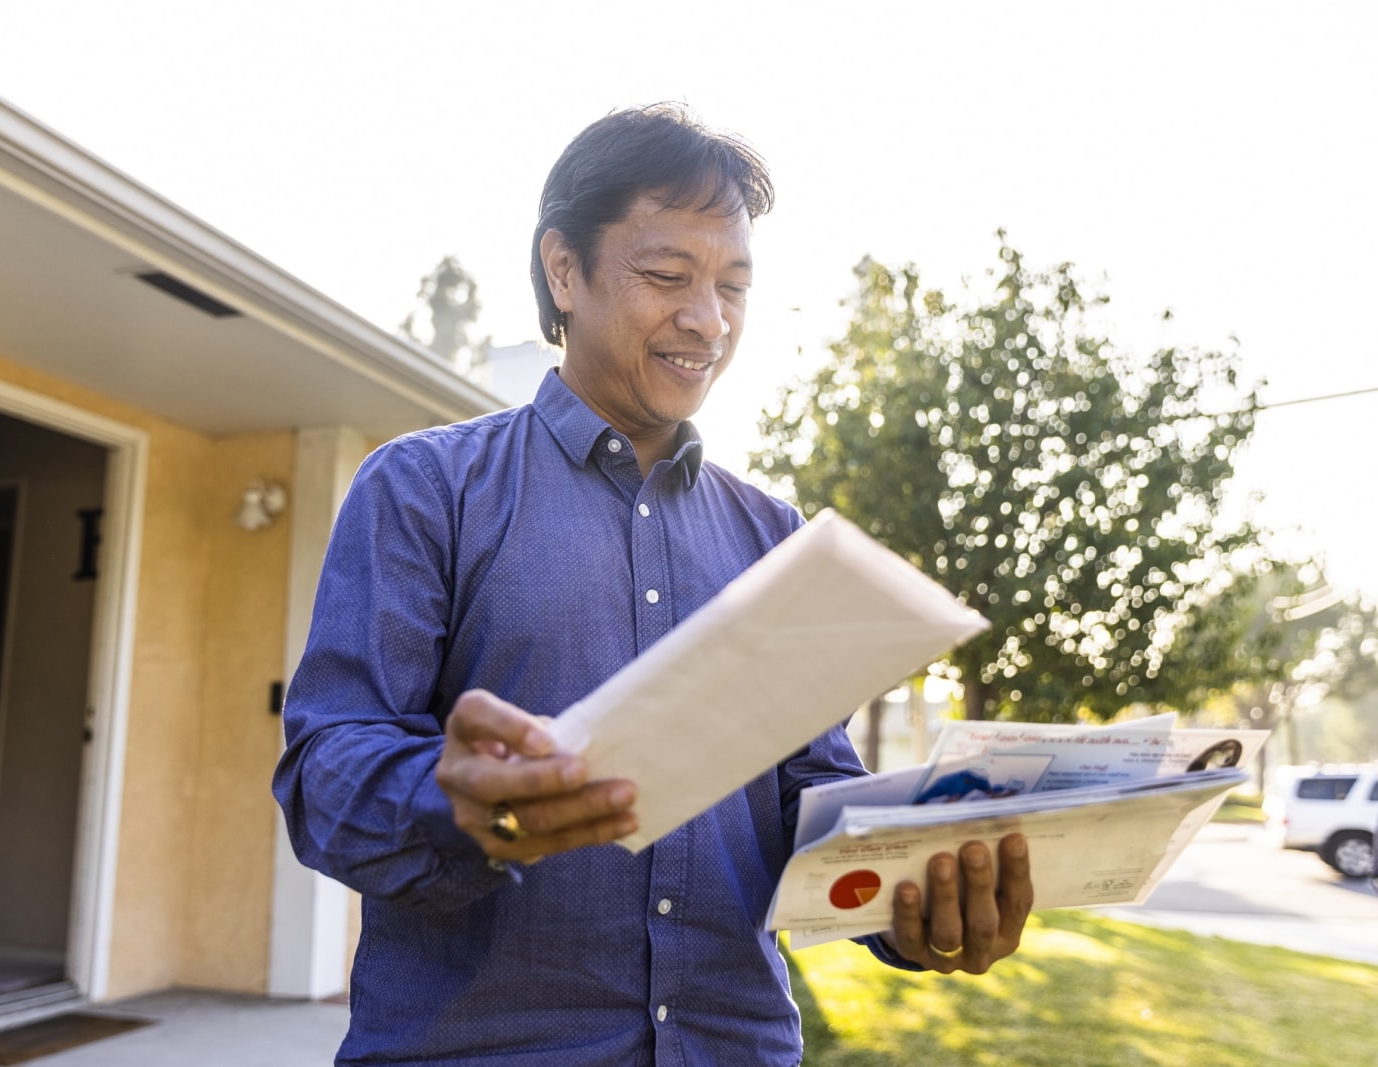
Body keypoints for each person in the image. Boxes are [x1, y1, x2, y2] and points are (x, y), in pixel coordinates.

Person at [273, 103, 1034, 1066]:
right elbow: (322, 775)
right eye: (667, 276)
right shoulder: (427, 489)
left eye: (734, 286)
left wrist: (917, 896)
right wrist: (448, 796)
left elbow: (812, 797)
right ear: (564, 269)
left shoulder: (773, 537)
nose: (708, 320)